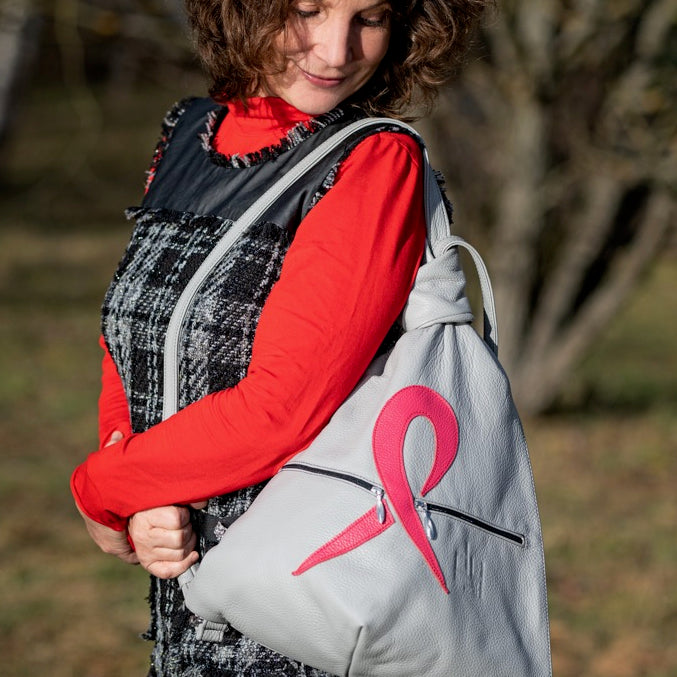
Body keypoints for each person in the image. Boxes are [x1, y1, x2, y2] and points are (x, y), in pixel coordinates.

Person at [71, 0, 489, 674]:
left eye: (370, 18)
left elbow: (281, 410)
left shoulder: (373, 160)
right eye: (305, 10)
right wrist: (142, 485)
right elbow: (133, 328)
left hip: (303, 602)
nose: (334, 50)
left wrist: (103, 487)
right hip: (186, 592)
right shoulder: (188, 132)